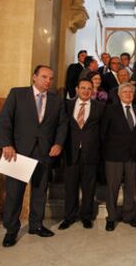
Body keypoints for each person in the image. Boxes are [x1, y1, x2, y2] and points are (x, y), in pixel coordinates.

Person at [0, 65, 68, 247]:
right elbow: (5, 120)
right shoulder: (17, 94)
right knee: (14, 193)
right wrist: (6, 144)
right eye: (44, 77)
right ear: (34, 77)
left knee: (40, 192)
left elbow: (62, 124)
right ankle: (11, 230)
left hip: (44, 152)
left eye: (51, 78)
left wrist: (58, 143)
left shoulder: (56, 100)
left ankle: (36, 225)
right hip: (18, 152)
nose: (48, 81)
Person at [59, 79, 105, 230]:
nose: (86, 91)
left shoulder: (100, 107)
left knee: (89, 187)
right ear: (77, 89)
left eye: (89, 88)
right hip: (70, 152)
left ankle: (86, 216)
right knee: (70, 186)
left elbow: (103, 132)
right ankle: (69, 217)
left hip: (91, 153)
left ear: (93, 90)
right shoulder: (66, 105)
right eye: (83, 88)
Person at [101, 82, 136, 231]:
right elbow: (103, 134)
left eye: (130, 92)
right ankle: (111, 217)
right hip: (114, 156)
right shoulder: (110, 110)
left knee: (131, 187)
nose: (128, 94)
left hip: (133, 156)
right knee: (112, 188)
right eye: (124, 92)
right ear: (119, 94)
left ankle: (129, 215)